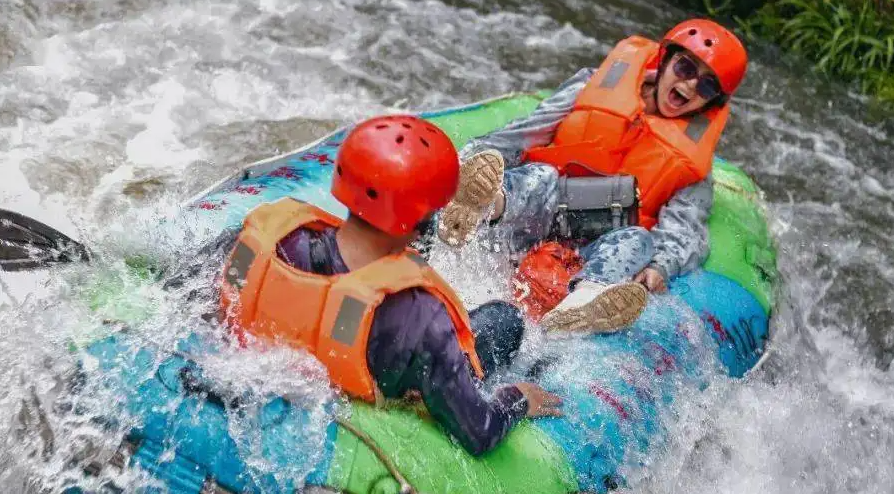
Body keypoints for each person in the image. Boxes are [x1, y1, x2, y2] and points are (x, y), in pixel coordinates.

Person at [219, 115, 561, 456]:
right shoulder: (421, 315)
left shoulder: (279, 238)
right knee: (505, 320)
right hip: (385, 372)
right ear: (423, 220)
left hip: (288, 361)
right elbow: (478, 430)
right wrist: (519, 399)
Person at [437, 18, 748, 334]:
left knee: (640, 240)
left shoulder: (695, 167)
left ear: (713, 101)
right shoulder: (592, 87)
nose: (692, 84)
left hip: (591, 250)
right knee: (541, 176)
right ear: (665, 60)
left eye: (707, 85)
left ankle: (580, 307)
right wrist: (464, 163)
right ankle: (479, 207)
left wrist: (660, 267)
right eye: (685, 68)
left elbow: (685, 231)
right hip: (533, 218)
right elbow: (522, 135)